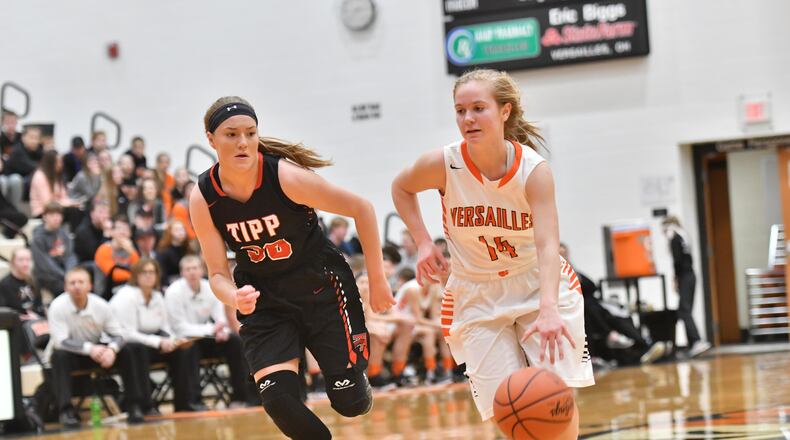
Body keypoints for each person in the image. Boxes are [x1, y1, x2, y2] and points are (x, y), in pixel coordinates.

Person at [391, 69, 594, 437]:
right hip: (476, 291)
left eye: (478, 108)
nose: (467, 119)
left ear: (505, 111)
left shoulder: (533, 171)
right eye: (460, 110)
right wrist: (422, 242)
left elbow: (549, 244)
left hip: (537, 283)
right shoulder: (443, 164)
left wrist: (548, 307)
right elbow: (401, 187)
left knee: (551, 396)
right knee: (509, 404)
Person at [189, 96, 394, 439]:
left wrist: (377, 279)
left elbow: (362, 208)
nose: (243, 142)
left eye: (250, 133)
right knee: (279, 400)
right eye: (231, 134)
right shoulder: (203, 196)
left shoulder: (284, 176)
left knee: (350, 403)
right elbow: (216, 273)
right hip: (265, 298)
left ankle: (354, 385)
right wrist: (234, 297)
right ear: (211, 139)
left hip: (320, 286)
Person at [46, 267, 147, 427]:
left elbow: (120, 334)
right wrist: (90, 349)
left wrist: (112, 350)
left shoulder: (101, 305)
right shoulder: (57, 306)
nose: (77, 286)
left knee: (129, 350)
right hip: (72, 355)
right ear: (66, 287)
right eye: (72, 283)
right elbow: (61, 341)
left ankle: (134, 405)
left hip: (97, 352)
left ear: (90, 286)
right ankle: (65, 411)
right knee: (59, 357)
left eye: (81, 282)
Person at [164, 255, 255, 409]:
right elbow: (179, 327)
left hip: (207, 337)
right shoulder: (174, 292)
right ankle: (194, 401)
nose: (192, 272)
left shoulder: (209, 287)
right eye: (188, 269)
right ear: (182, 273)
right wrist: (212, 329)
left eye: (195, 268)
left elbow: (220, 318)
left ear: (202, 270)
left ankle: (242, 396)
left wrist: (223, 330)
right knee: (189, 348)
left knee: (235, 341)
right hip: (183, 340)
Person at [109, 259, 194, 413]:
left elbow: (164, 327)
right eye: (144, 273)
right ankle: (145, 405)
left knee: (182, 350)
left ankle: (184, 403)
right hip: (123, 345)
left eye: (152, 272)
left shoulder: (157, 296)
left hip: (150, 342)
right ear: (135, 275)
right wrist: (158, 342)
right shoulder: (126, 297)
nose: (148, 276)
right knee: (137, 349)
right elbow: (127, 333)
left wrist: (174, 340)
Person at [662, 216, 711, 357]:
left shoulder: (674, 237)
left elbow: (677, 261)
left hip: (685, 276)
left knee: (683, 310)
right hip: (691, 275)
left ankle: (696, 341)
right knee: (685, 310)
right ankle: (693, 344)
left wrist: (676, 278)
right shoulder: (684, 235)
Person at [31, 202, 77, 295]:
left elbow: (70, 255)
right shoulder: (38, 237)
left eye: (59, 214)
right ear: (44, 217)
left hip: (63, 271)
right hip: (46, 275)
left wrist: (69, 272)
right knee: (65, 289)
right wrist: (64, 275)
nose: (56, 218)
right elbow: (44, 263)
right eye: (52, 215)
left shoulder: (63, 233)